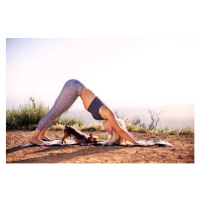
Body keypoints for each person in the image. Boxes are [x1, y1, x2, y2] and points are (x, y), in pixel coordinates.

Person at [30, 79, 145, 146]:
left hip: (75, 89)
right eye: (110, 130)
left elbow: (120, 131)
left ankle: (42, 134)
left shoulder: (105, 115)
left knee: (56, 112)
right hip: (74, 87)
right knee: (54, 111)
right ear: (114, 124)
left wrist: (134, 139)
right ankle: (34, 138)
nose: (106, 130)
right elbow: (121, 131)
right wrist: (137, 143)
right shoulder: (109, 114)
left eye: (108, 132)